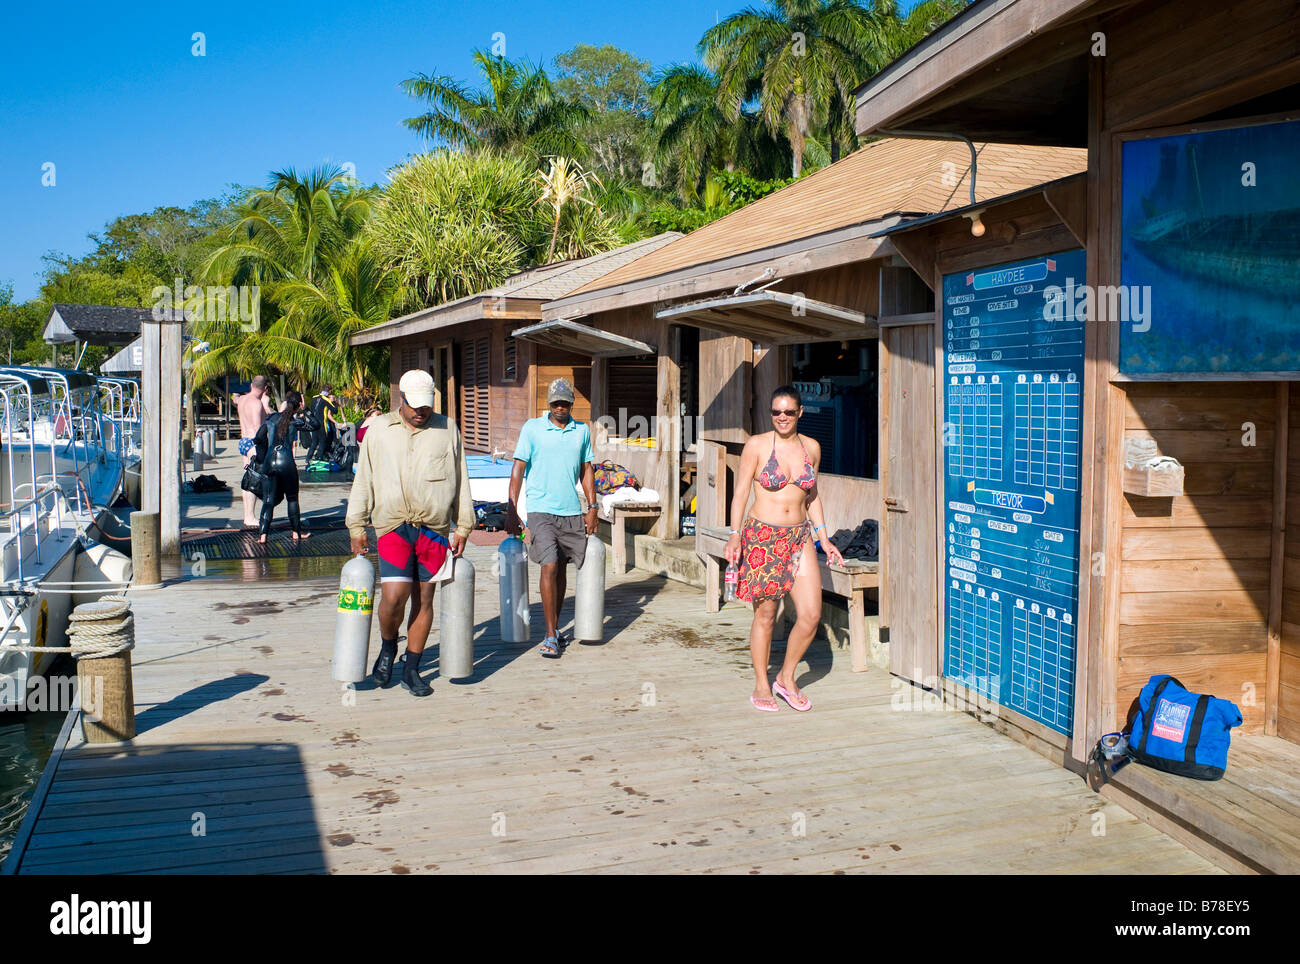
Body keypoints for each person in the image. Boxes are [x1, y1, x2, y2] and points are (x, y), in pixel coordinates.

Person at [347, 370, 474, 697]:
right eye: (414, 405)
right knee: (393, 597)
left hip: (434, 528)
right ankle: (389, 646)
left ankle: (412, 668)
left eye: (426, 405)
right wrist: (356, 524)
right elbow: (364, 480)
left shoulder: (447, 429)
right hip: (392, 526)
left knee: (424, 599)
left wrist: (464, 525)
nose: (421, 412)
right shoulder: (379, 430)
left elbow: (461, 479)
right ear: (400, 399)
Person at [724, 386, 844, 713]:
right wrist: (735, 535)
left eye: (789, 412)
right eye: (776, 412)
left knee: (811, 615)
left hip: (799, 538)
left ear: (800, 413)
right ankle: (762, 683)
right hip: (762, 536)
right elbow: (740, 493)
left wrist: (824, 537)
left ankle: (786, 678)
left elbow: (813, 495)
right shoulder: (758, 445)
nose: (782, 418)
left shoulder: (812, 448)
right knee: (766, 614)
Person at [504, 377, 597, 658]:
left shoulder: (581, 431)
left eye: (565, 403)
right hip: (540, 509)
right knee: (550, 565)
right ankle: (549, 635)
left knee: (563, 570)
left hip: (570, 510)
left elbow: (587, 470)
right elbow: (518, 469)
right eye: (555, 403)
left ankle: (555, 629)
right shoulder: (532, 428)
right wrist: (512, 508)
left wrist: (593, 508)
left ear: (571, 403)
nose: (560, 407)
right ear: (549, 404)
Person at [252, 390, 316, 545]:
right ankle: (296, 533)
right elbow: (316, 425)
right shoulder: (295, 421)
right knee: (292, 498)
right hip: (287, 462)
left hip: (270, 460)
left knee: (268, 500)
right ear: (297, 405)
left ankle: (263, 536)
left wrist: (263, 458)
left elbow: (258, 438)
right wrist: (306, 409)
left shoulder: (271, 418)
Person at [234, 375, 274, 528]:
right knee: (254, 480)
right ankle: (249, 516)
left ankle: (247, 515)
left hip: (244, 441)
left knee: (248, 478)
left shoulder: (242, 399)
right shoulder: (257, 404)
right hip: (253, 444)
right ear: (265, 389)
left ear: (251, 385)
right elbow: (259, 429)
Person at [308, 385, 341, 465]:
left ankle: (308, 458)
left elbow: (311, 410)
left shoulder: (314, 397)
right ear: (329, 391)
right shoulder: (326, 399)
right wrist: (334, 402)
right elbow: (335, 410)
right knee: (323, 441)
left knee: (314, 442)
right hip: (322, 424)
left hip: (313, 423)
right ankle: (318, 458)